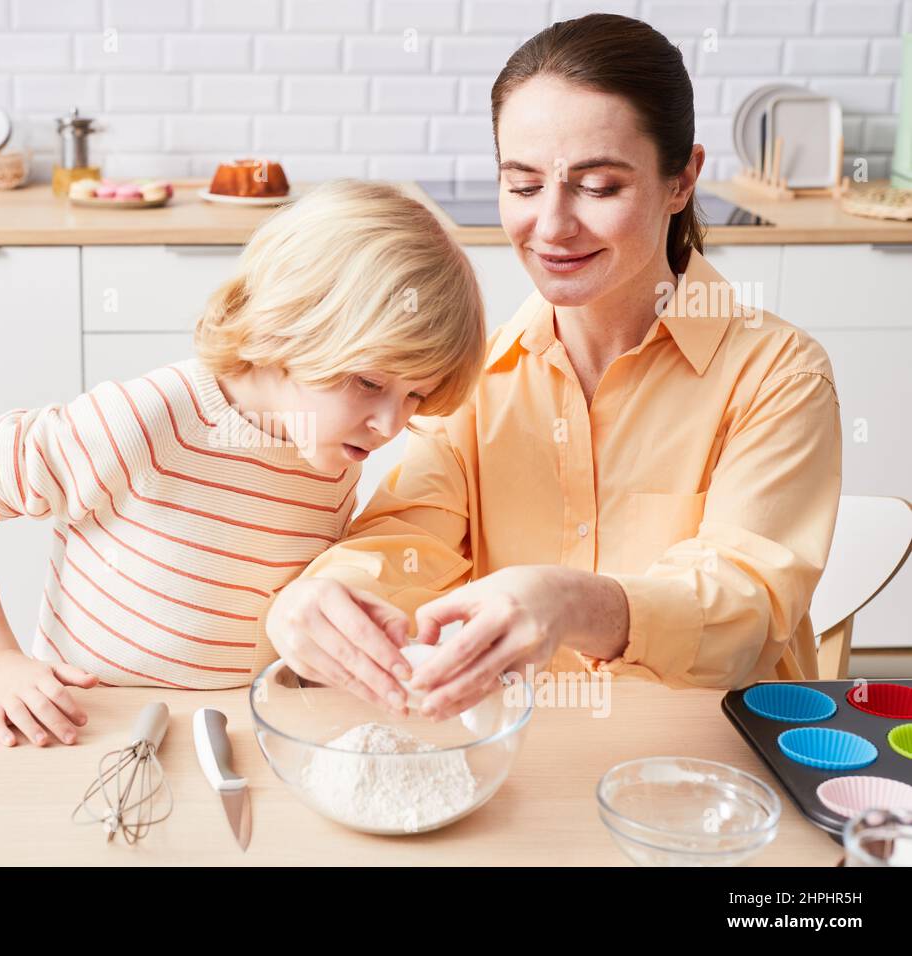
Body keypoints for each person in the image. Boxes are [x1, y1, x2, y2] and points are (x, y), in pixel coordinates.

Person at [266, 14, 842, 722]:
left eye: (598, 187)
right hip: (525, 759)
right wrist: (323, 595)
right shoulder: (478, 376)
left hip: (718, 755)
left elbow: (748, 604)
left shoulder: (778, 375)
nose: (552, 225)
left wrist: (576, 603)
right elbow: (408, 536)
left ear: (682, 180)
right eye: (525, 184)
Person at [0, 179, 485, 746]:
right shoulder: (146, 420)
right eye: (369, 382)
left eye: (415, 395)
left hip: (232, 735)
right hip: (90, 731)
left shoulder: (334, 452)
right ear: (288, 324)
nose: (389, 425)